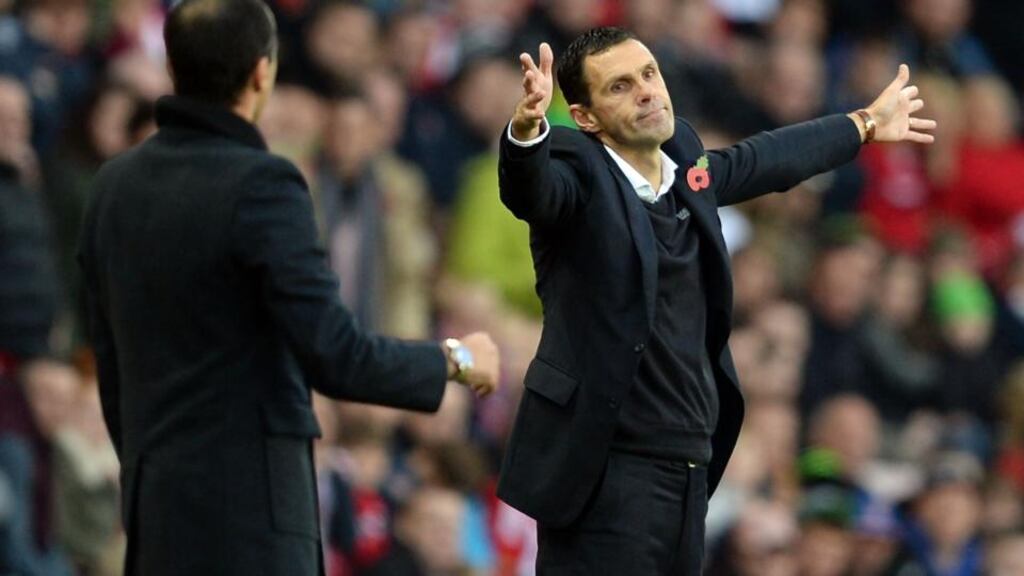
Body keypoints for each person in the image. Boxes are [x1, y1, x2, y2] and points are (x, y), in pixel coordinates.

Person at [76, 2, 500, 575]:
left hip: (157, 511)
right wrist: (457, 359)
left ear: (172, 68)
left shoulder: (113, 185)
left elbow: (110, 363)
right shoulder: (265, 183)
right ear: (262, 72)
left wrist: (143, 479)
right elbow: (336, 355)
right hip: (253, 519)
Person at [497, 27, 935, 574]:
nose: (647, 92)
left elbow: (763, 161)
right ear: (586, 117)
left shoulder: (684, 164)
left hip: (689, 469)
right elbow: (533, 190)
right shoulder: (578, 169)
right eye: (620, 87)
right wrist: (526, 130)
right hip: (607, 472)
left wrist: (864, 124)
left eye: (650, 74)